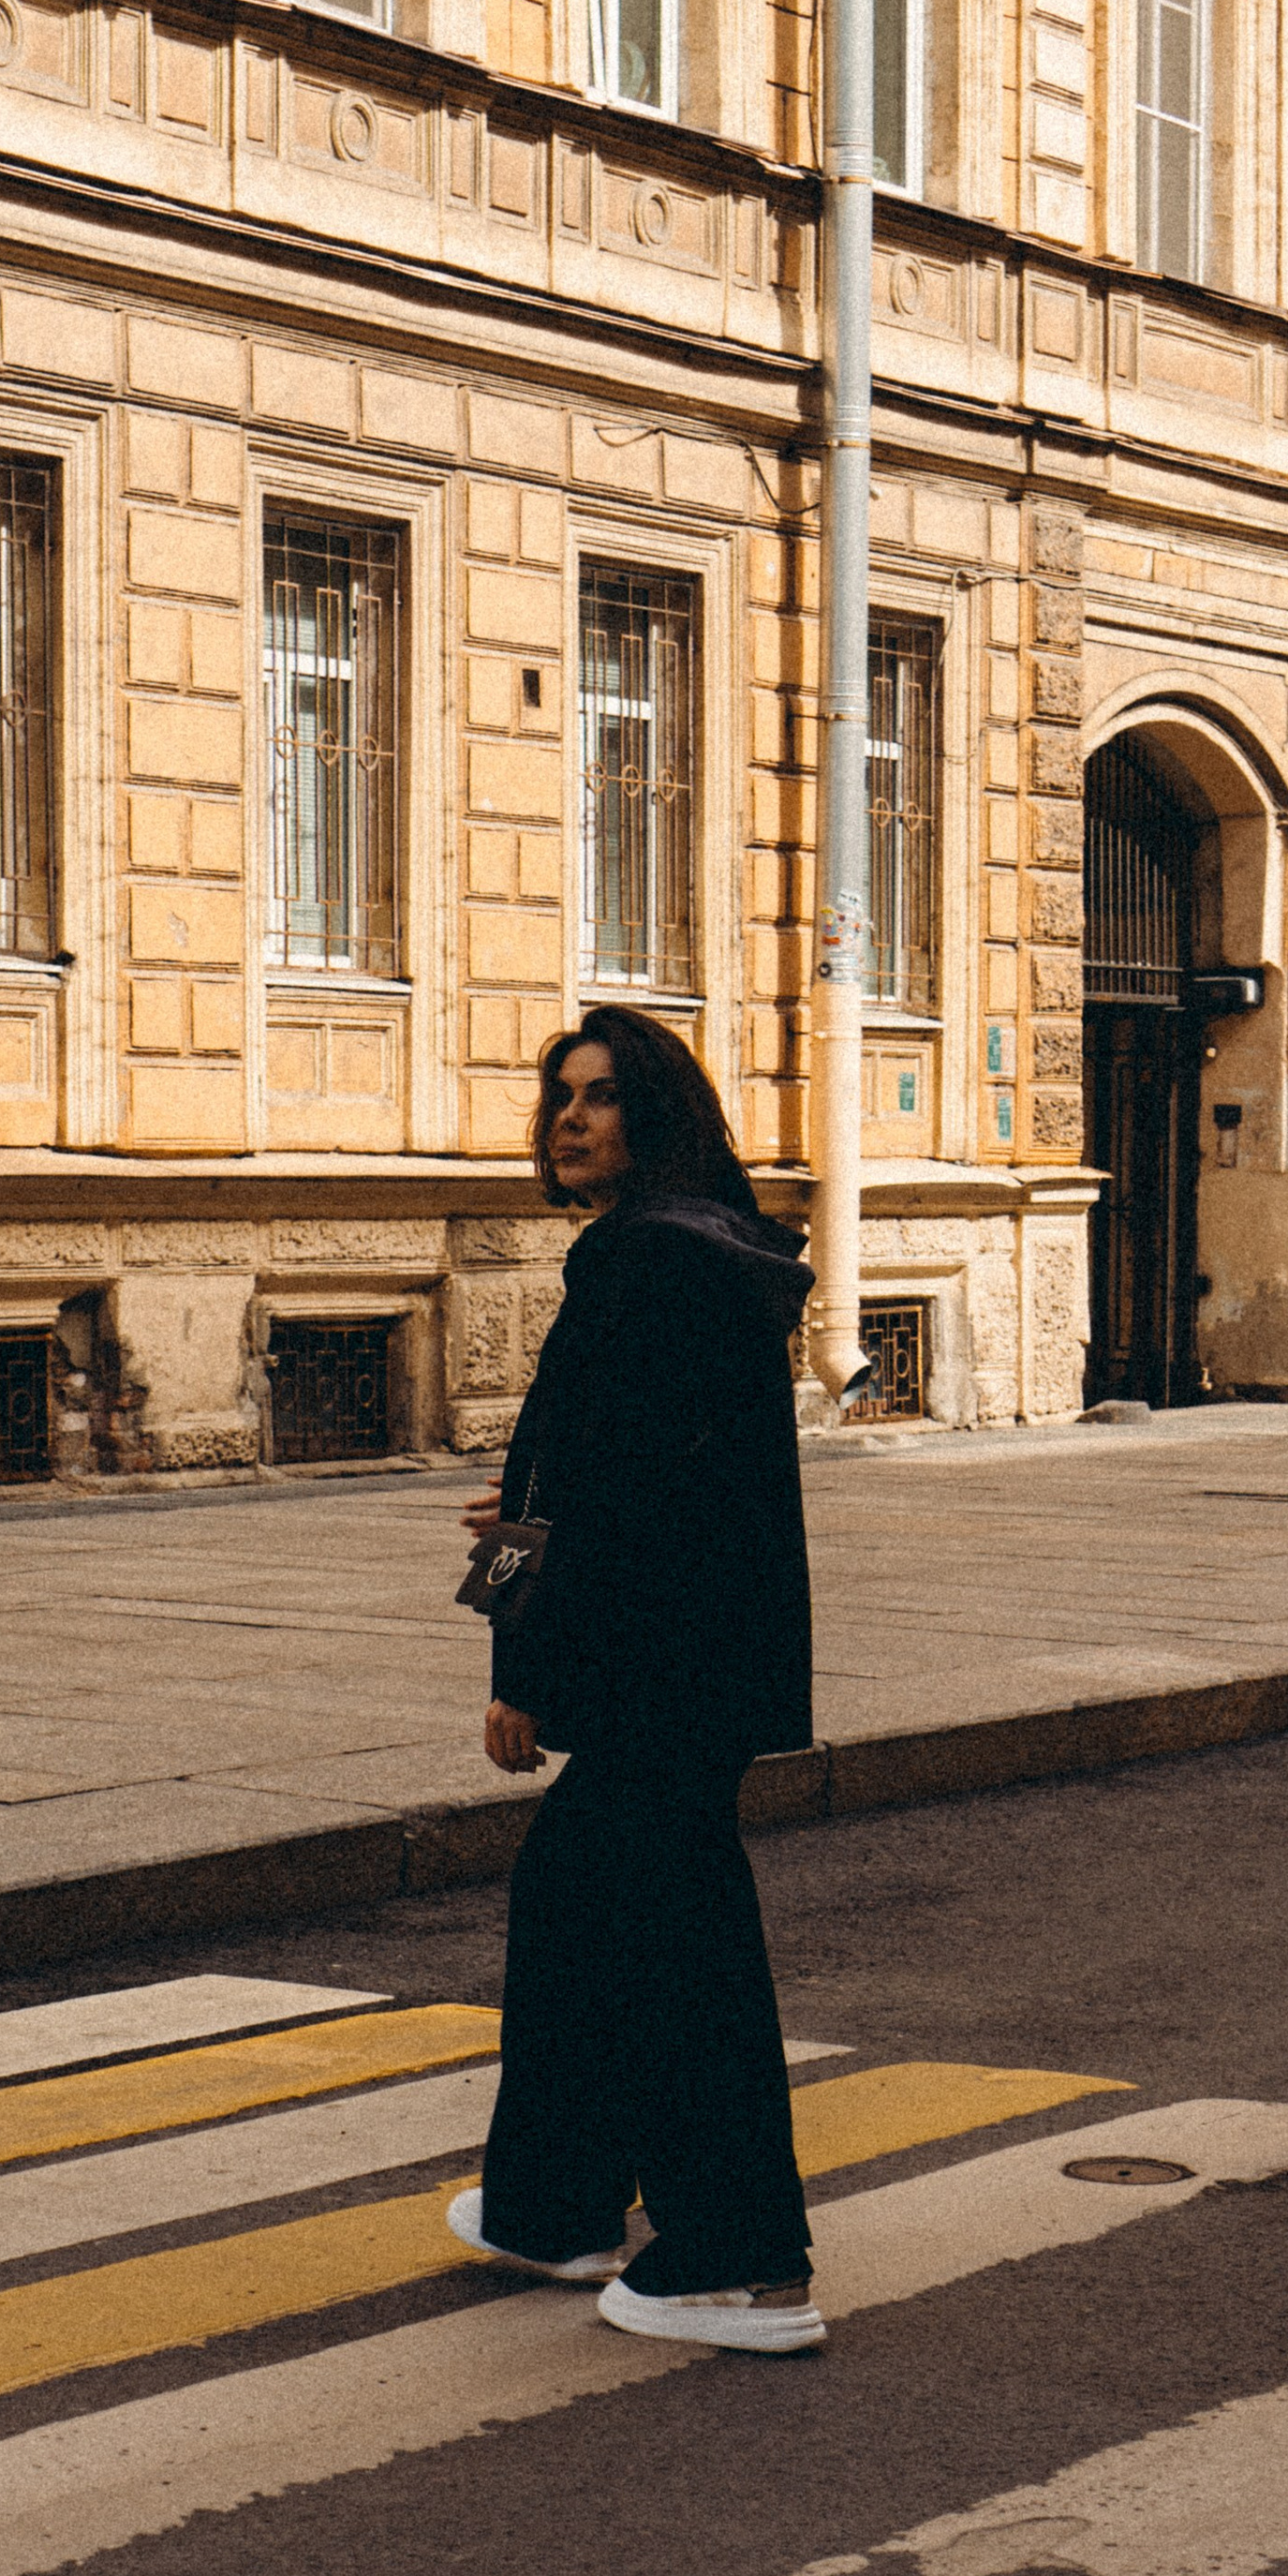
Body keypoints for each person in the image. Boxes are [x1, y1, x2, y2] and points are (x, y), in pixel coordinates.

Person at [448, 1007, 824, 2355]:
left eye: (601, 1097)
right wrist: (528, 1526)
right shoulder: (693, 1255)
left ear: (653, 1116)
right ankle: (551, 2205)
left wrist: (525, 1669)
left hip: (660, 1666)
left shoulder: (643, 1264)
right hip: (700, 1658)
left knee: (679, 1953)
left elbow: (606, 1505)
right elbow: (589, 1478)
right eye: (558, 1095)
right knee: (576, 1905)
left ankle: (742, 2257)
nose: (569, 1117)